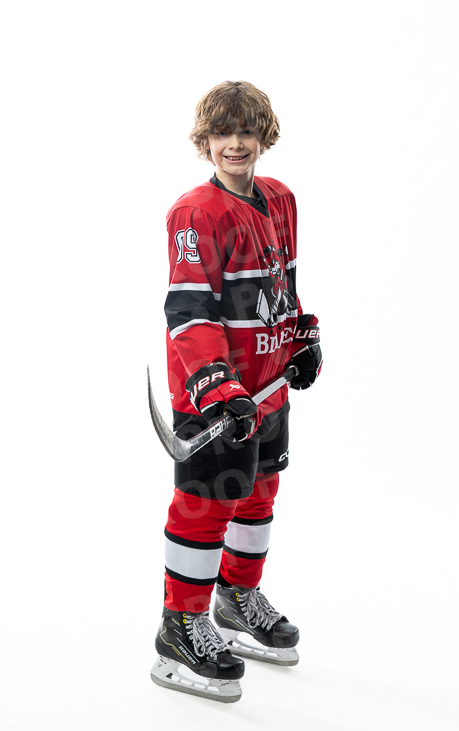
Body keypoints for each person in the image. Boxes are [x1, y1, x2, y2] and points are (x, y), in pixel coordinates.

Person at [150, 81, 322, 703]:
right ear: (206, 140)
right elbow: (189, 310)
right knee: (206, 503)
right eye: (223, 133)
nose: (236, 143)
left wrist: (303, 335)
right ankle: (180, 626)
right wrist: (217, 387)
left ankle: (236, 598)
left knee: (258, 492)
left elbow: (283, 283)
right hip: (218, 401)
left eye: (247, 131)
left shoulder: (281, 199)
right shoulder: (196, 213)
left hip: (267, 388)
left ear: (263, 137)